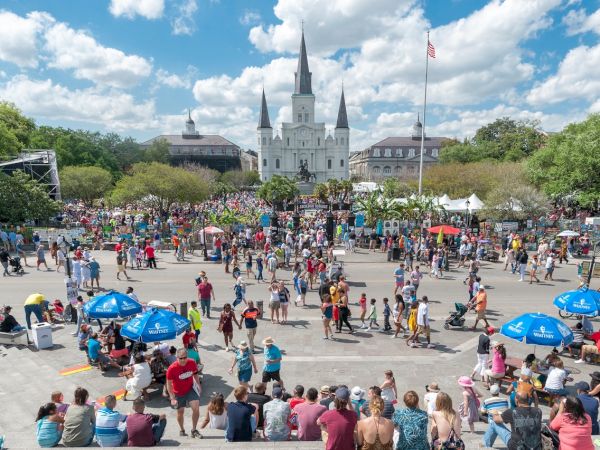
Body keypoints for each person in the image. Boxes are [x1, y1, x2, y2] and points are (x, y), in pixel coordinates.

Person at [166, 348, 202, 438]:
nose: (183, 360)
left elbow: (195, 374)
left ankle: (194, 430)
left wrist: (198, 385)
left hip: (190, 389)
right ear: (177, 357)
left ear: (187, 356)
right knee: (180, 412)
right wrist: (172, 397)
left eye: (184, 357)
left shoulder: (192, 362)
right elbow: (169, 384)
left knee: (196, 408)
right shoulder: (171, 369)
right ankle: (182, 429)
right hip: (178, 392)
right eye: (180, 358)